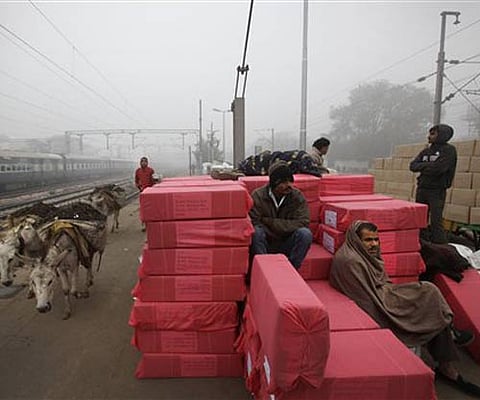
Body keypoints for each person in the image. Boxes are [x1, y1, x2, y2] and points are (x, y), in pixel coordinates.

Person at [330, 220, 480, 397]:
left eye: (376, 240)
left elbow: (380, 283)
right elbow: (367, 298)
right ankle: (449, 358)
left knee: (428, 295)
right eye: (368, 240)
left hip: (383, 293)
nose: (373, 244)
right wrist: (399, 302)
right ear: (356, 240)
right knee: (428, 295)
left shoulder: (362, 255)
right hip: (378, 303)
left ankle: (448, 361)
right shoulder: (350, 261)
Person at [249, 161, 313, 270]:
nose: (288, 185)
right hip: (265, 243)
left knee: (305, 234)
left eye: (290, 181)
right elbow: (254, 221)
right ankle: (264, 271)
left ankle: (291, 271)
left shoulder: (297, 197)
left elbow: (303, 221)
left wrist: (270, 222)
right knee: (256, 232)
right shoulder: (258, 196)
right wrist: (278, 228)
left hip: (287, 241)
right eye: (284, 182)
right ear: (274, 183)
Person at [409, 124, 457, 244]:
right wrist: (428, 166)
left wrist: (423, 167)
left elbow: (440, 168)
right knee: (420, 219)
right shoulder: (426, 151)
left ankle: (441, 247)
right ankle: (422, 243)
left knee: (436, 221)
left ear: (442, 135)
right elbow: (413, 166)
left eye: (433, 134)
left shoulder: (449, 150)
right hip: (422, 189)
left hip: (437, 190)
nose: (429, 136)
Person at [134, 156, 157, 231]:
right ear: (140, 163)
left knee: (150, 208)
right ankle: (144, 224)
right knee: (143, 209)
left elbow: (154, 181)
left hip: (150, 192)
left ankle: (150, 223)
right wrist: (139, 187)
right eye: (142, 161)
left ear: (147, 163)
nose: (143, 163)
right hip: (142, 193)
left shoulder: (151, 170)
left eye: (145, 161)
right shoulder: (138, 171)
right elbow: (136, 181)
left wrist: (153, 188)